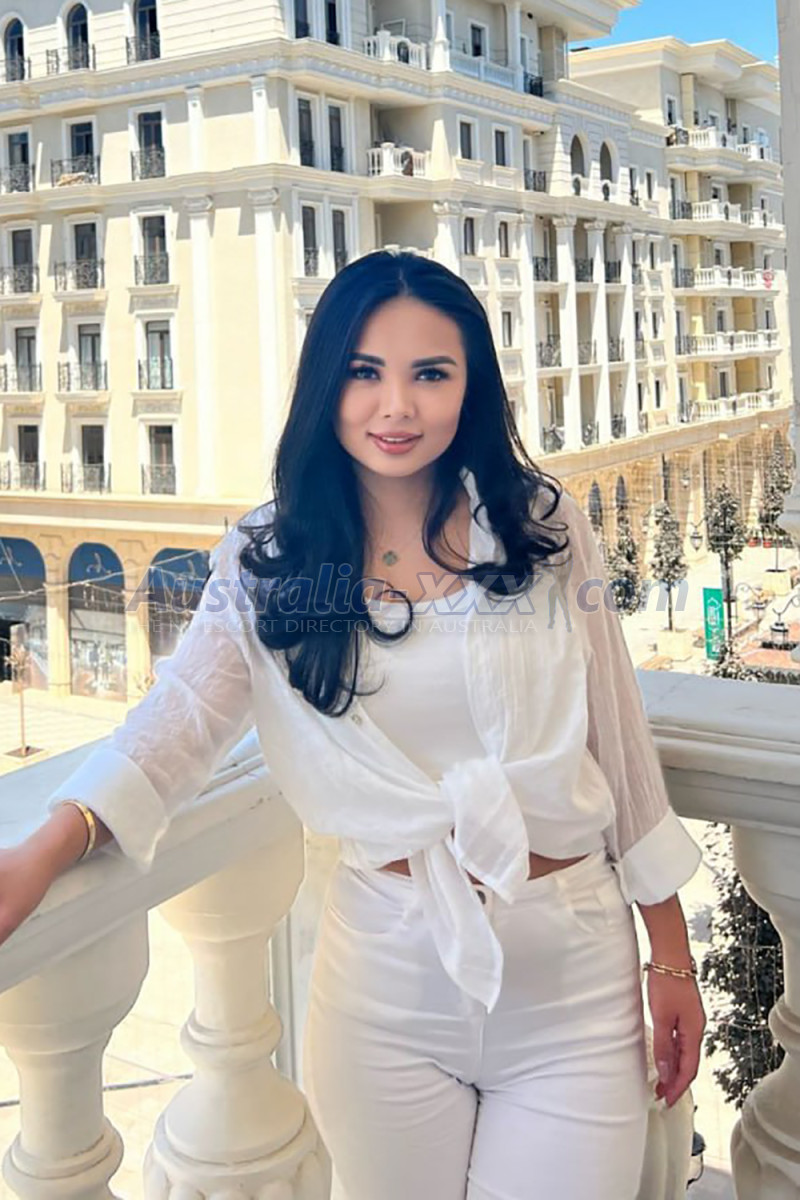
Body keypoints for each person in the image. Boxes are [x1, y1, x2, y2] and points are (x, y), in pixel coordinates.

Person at [0, 250, 705, 1200]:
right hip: (385, 982)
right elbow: (181, 719)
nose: (396, 407)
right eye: (365, 372)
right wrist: (46, 847)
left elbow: (616, 741)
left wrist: (672, 957)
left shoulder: (542, 529)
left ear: (471, 387)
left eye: (431, 374)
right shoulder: (271, 557)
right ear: (326, 382)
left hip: (572, 976)